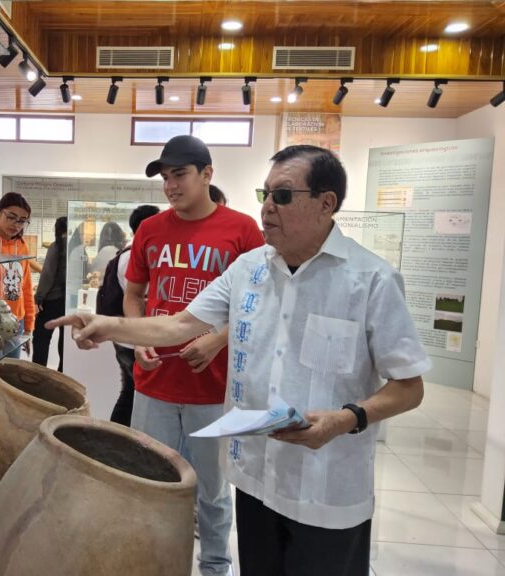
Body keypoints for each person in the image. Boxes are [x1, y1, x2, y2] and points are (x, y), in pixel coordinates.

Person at [48, 145, 430, 576]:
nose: (267, 208)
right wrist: (106, 324)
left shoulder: (371, 280)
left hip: (325, 488)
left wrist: (347, 418)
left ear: (327, 203)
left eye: (282, 196)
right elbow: (178, 325)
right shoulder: (250, 269)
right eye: (264, 194)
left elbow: (409, 386)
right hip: (256, 480)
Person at [126, 135, 264, 576]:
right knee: (151, 481)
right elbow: (134, 295)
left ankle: (215, 567)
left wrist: (219, 338)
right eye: (165, 177)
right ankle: (154, 562)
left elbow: (261, 302)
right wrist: (136, 336)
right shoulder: (150, 230)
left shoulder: (243, 230)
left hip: (213, 386)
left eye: (179, 174)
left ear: (207, 174)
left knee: (213, 489)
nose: (170, 185)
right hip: (154, 382)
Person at [108, 204, 161, 427]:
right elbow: (134, 296)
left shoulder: (134, 253)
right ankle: (113, 440)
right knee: (132, 393)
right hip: (132, 340)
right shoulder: (132, 257)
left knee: (130, 392)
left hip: (132, 337)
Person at [0, 192, 35, 358]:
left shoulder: (22, 246)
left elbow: (25, 287)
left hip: (15, 321)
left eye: (22, 220)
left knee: (10, 374)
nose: (16, 224)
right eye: (11, 217)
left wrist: (29, 327)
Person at [32, 217, 68, 371]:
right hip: (67, 303)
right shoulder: (78, 248)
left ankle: (38, 374)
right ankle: (62, 374)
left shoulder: (56, 247)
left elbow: (47, 275)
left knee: (41, 339)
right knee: (64, 342)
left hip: (52, 301)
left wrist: (39, 297)